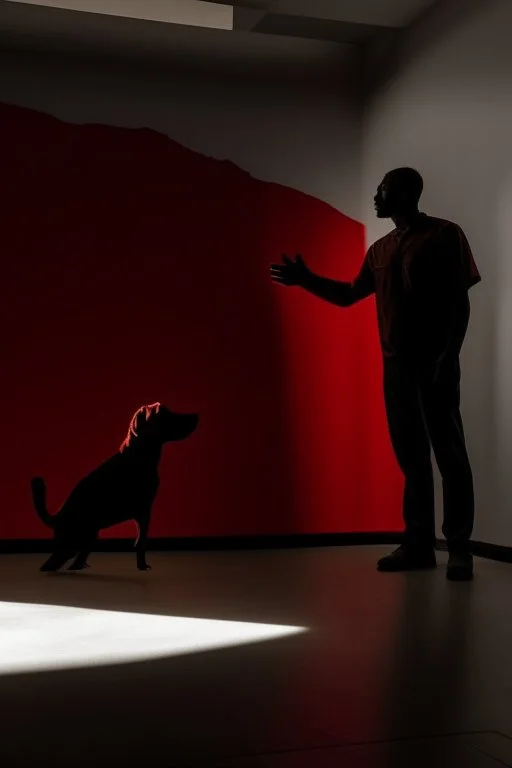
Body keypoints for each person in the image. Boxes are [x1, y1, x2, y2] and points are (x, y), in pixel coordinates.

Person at [270, 168, 481, 581]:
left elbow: (460, 302)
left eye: (382, 189)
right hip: (396, 370)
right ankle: (418, 545)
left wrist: (448, 358)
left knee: (450, 457)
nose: (376, 196)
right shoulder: (380, 249)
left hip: (435, 365)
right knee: (412, 460)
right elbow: (349, 295)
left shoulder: (445, 235)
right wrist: (306, 280)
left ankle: (459, 549)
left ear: (404, 193)